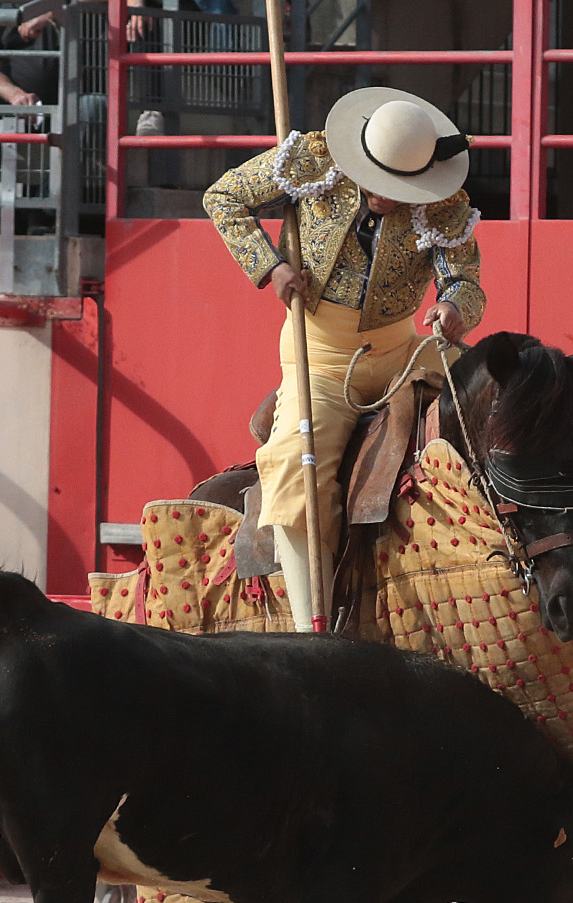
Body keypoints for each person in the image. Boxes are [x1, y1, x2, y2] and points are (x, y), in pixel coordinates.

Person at [205, 86, 485, 630]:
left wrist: (454, 308)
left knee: (497, 408)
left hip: (404, 350)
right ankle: (316, 621)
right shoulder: (313, 160)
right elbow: (223, 197)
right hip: (321, 355)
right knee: (292, 468)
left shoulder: (443, 204)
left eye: (400, 187)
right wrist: (270, 267)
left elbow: (466, 282)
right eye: (380, 183)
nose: (387, 195)